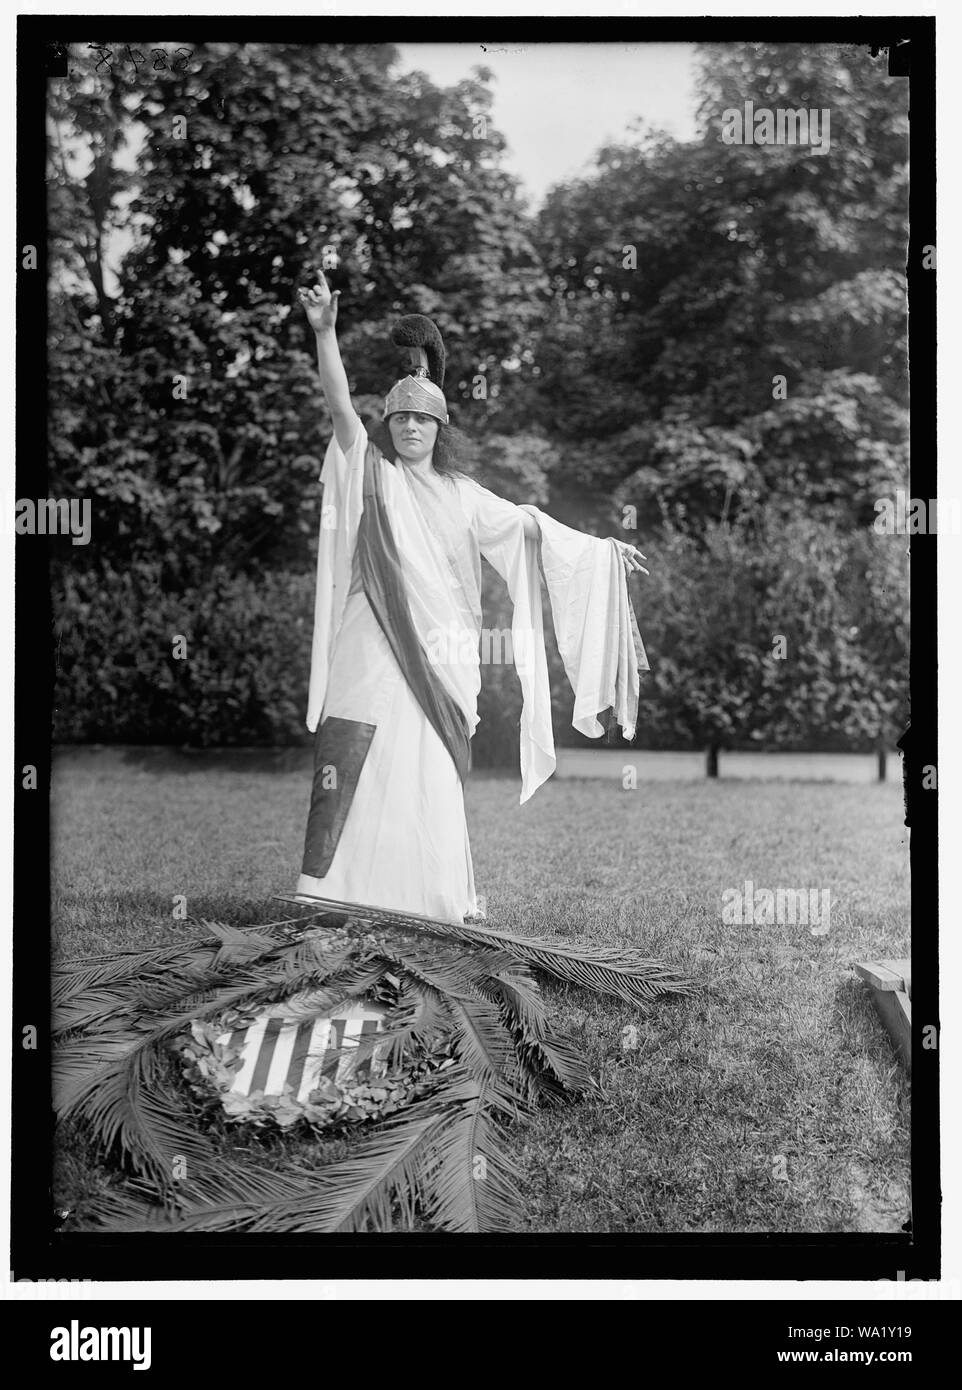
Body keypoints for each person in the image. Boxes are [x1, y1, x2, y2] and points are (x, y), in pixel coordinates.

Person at [294, 273, 649, 925]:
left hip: (441, 660)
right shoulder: (370, 472)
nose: (408, 428)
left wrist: (604, 552)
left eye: (421, 419)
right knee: (357, 753)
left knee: (423, 770)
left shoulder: (463, 494)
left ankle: (423, 896)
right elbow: (340, 407)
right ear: (389, 423)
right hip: (370, 646)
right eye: (399, 417)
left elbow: (530, 527)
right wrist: (325, 334)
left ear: (438, 426)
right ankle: (334, 894)